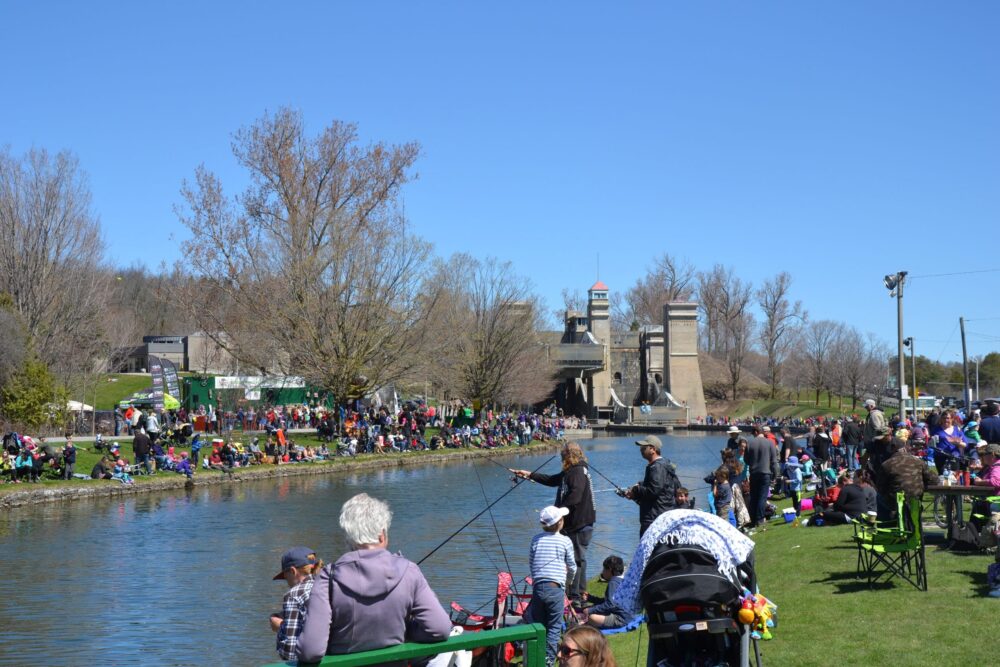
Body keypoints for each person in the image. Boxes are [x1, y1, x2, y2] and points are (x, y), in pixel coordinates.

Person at [296, 493, 451, 664]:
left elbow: (311, 651)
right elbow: (440, 629)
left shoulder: (328, 579)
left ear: (349, 537)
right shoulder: (409, 571)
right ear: (382, 535)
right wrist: (404, 630)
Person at [512, 442, 596, 604]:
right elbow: (552, 480)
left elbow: (576, 496)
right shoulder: (570, 471)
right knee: (574, 559)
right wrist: (529, 475)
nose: (561, 457)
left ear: (568, 455)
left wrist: (557, 513)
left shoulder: (577, 471)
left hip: (579, 523)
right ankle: (574, 594)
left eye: (562, 454)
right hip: (574, 523)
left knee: (577, 560)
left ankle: (576, 597)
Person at [526, 505, 576, 667]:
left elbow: (532, 564)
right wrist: (568, 582)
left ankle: (538, 659)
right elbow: (572, 566)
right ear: (560, 522)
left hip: (538, 588)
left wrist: (536, 582)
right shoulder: (565, 541)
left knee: (540, 627)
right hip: (555, 589)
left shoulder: (535, 539)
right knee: (554, 628)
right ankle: (547, 661)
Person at [270, 546, 322, 661]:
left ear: (293, 571)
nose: (287, 582)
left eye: (285, 576)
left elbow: (289, 652)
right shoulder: (327, 584)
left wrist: (280, 627)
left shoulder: (294, 595)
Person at [624, 435, 679, 536]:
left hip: (654, 518)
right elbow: (661, 488)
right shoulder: (665, 464)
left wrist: (636, 490)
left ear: (653, 449)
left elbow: (653, 491)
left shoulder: (657, 467)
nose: (641, 450)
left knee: (648, 550)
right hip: (662, 515)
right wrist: (637, 490)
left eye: (644, 448)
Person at [744, 425, 778, 530]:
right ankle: (760, 519)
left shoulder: (749, 443)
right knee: (762, 497)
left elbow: (746, 460)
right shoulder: (770, 443)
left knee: (754, 497)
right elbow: (774, 461)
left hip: (754, 473)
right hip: (765, 473)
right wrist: (775, 474)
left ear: (755, 432)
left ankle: (753, 519)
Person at [931, 409, 969, 475]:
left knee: (954, 477)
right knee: (942, 476)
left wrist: (957, 443)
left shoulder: (957, 429)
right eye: (944, 418)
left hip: (954, 457)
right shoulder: (936, 429)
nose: (946, 420)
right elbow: (931, 442)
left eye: (948, 418)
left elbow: (966, 445)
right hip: (940, 457)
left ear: (952, 419)